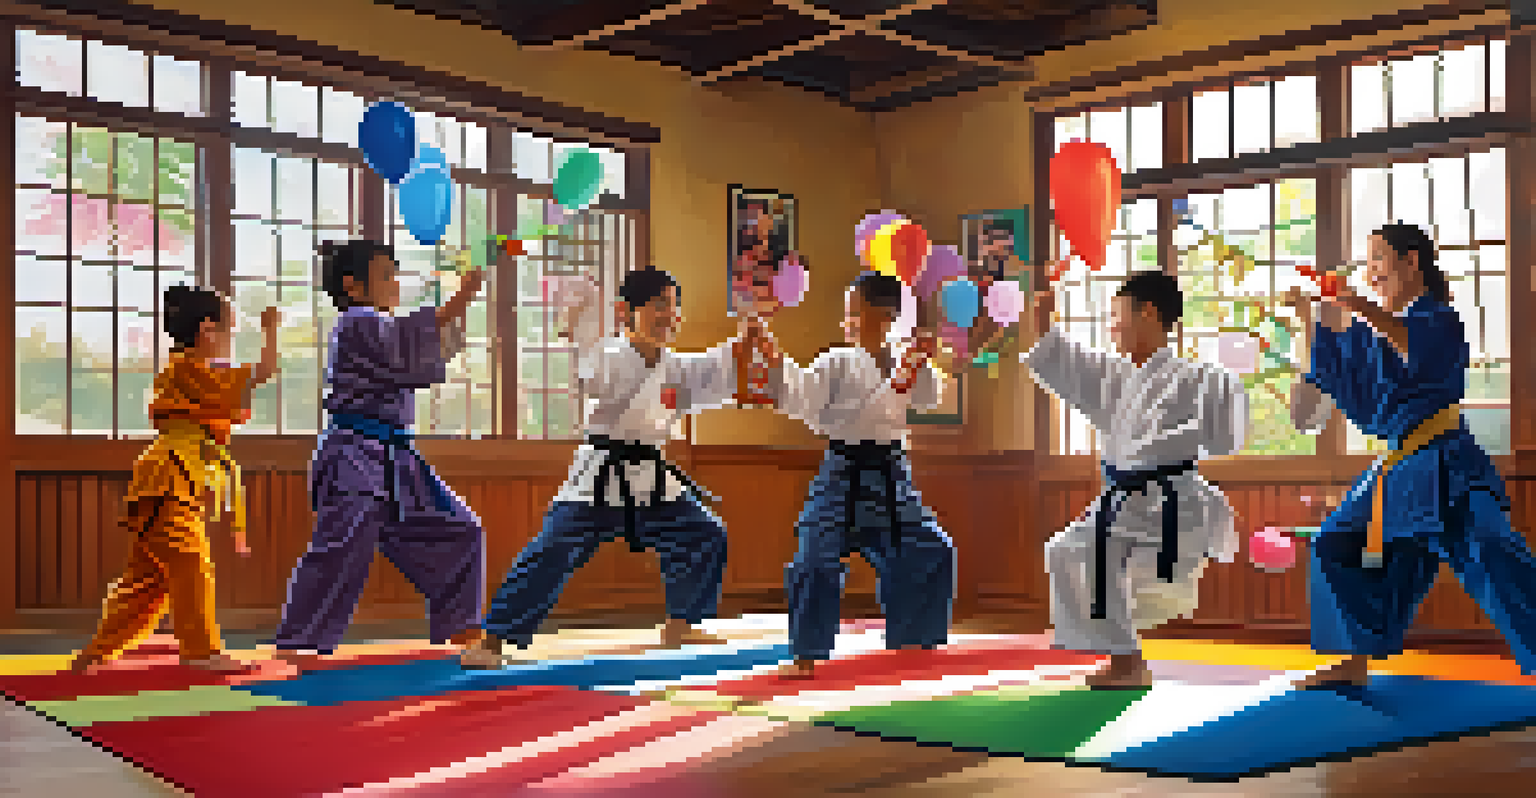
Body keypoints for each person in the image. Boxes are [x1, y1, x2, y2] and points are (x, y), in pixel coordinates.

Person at [1289, 223, 1536, 688]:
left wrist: (1354, 304)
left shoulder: (1438, 318)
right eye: (1368, 263)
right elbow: (1334, 372)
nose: (1372, 271)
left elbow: (1411, 343)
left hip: (1446, 462)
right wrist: (1311, 315)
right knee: (1335, 542)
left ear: (1412, 261)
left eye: (1379, 259)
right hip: (1399, 466)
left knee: (1492, 554)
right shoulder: (1375, 332)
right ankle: (1350, 660)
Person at [460, 267, 739, 669]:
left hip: (650, 476)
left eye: (674, 307)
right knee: (552, 549)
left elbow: (718, 372)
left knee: (704, 533)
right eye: (659, 305)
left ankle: (682, 621)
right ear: (627, 311)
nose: (669, 316)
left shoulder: (676, 367)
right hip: (600, 475)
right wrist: (576, 325)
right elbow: (591, 377)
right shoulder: (610, 355)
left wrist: (745, 344)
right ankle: (493, 639)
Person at [1023, 270, 1248, 688]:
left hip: (1173, 503)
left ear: (1147, 312)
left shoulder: (1201, 378)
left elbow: (1226, 437)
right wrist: (1044, 316)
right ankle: (1126, 657)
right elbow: (1061, 359)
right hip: (1122, 502)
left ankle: (1127, 658)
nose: (1112, 325)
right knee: (1066, 552)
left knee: (1121, 569)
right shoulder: (1115, 375)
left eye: (1116, 314)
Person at [270, 240, 486, 669]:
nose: (395, 283)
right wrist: (459, 298)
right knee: (344, 541)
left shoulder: (383, 329)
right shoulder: (357, 321)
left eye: (395, 273)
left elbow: (425, 352)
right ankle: (301, 640)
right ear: (353, 286)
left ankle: (462, 623)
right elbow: (408, 345)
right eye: (386, 275)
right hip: (353, 451)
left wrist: (456, 308)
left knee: (460, 527)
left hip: (395, 456)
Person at [70, 286, 280, 673]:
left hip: (167, 481)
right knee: (191, 564)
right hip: (169, 481)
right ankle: (201, 651)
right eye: (228, 332)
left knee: (147, 580)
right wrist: (270, 330)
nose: (229, 342)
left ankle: (96, 652)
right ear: (206, 331)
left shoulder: (188, 369)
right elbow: (263, 373)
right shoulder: (187, 368)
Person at [756, 270, 953, 677]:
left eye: (854, 312)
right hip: (842, 473)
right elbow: (804, 399)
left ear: (885, 316)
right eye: (847, 313)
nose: (847, 321)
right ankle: (806, 653)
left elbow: (931, 399)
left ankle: (914, 647)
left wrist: (925, 359)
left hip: (892, 475)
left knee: (933, 551)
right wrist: (777, 364)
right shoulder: (837, 361)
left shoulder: (906, 359)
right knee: (814, 560)